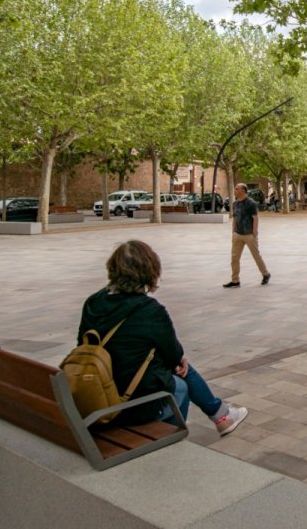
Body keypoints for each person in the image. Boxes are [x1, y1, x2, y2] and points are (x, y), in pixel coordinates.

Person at [78, 240, 248, 434]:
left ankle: (221, 415)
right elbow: (173, 356)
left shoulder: (93, 302)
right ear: (149, 271)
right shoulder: (150, 310)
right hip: (128, 402)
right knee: (180, 383)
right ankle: (212, 420)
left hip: (94, 389)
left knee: (174, 367)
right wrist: (177, 359)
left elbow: (82, 343)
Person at [226, 183, 269, 288]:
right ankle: (235, 280)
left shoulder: (251, 203)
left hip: (249, 234)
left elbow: (255, 218)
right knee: (234, 258)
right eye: (235, 188)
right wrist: (233, 231)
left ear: (243, 191)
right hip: (237, 234)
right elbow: (235, 218)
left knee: (256, 255)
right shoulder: (235, 204)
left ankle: (265, 274)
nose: (235, 190)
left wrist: (255, 231)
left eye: (237, 189)